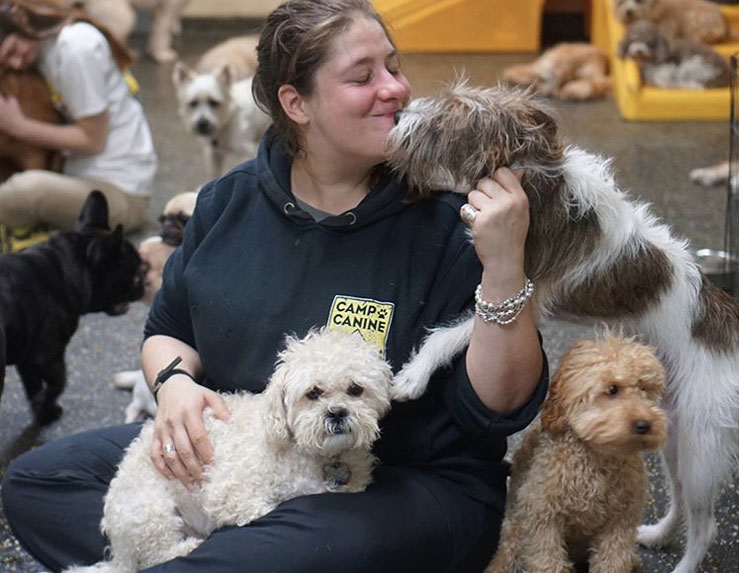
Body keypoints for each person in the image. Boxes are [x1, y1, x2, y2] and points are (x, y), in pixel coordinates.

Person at [2, 0, 548, 570]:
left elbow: (501, 404)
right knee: (41, 482)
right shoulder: (227, 202)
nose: (395, 89)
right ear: (296, 103)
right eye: (363, 76)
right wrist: (173, 389)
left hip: (398, 483)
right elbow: (168, 330)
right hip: (249, 453)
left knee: (247, 550)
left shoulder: (448, 218)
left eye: (393, 66)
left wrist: (506, 263)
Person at [0, 0, 156, 234]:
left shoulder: (74, 47)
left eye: (13, 50)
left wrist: (18, 126)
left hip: (120, 194)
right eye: (6, 61)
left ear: (22, 21)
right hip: (80, 178)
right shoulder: (42, 51)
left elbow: (93, 140)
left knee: (22, 192)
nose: (16, 63)